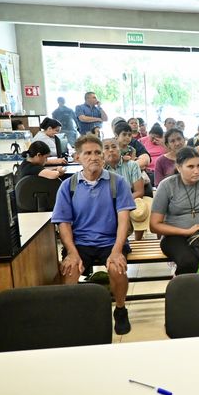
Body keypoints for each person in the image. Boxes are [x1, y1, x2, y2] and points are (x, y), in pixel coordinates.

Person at [51, 135, 136, 335]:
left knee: (117, 268)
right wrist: (72, 252)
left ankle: (121, 310)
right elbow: (63, 224)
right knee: (70, 270)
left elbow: (123, 220)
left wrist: (116, 251)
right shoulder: (68, 186)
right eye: (88, 153)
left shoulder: (118, 182)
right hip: (81, 242)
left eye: (98, 152)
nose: (94, 157)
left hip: (111, 241)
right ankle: (72, 314)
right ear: (78, 157)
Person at [150, 147, 199, 274]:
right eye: (190, 167)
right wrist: (186, 232)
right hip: (174, 237)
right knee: (188, 262)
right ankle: (185, 292)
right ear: (179, 167)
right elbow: (154, 225)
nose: (197, 171)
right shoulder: (167, 185)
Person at [103, 137, 149, 240]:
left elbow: (139, 192)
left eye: (114, 147)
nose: (111, 150)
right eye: (106, 148)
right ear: (101, 153)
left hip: (127, 202)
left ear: (119, 149)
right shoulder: (100, 169)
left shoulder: (132, 165)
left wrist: (119, 203)